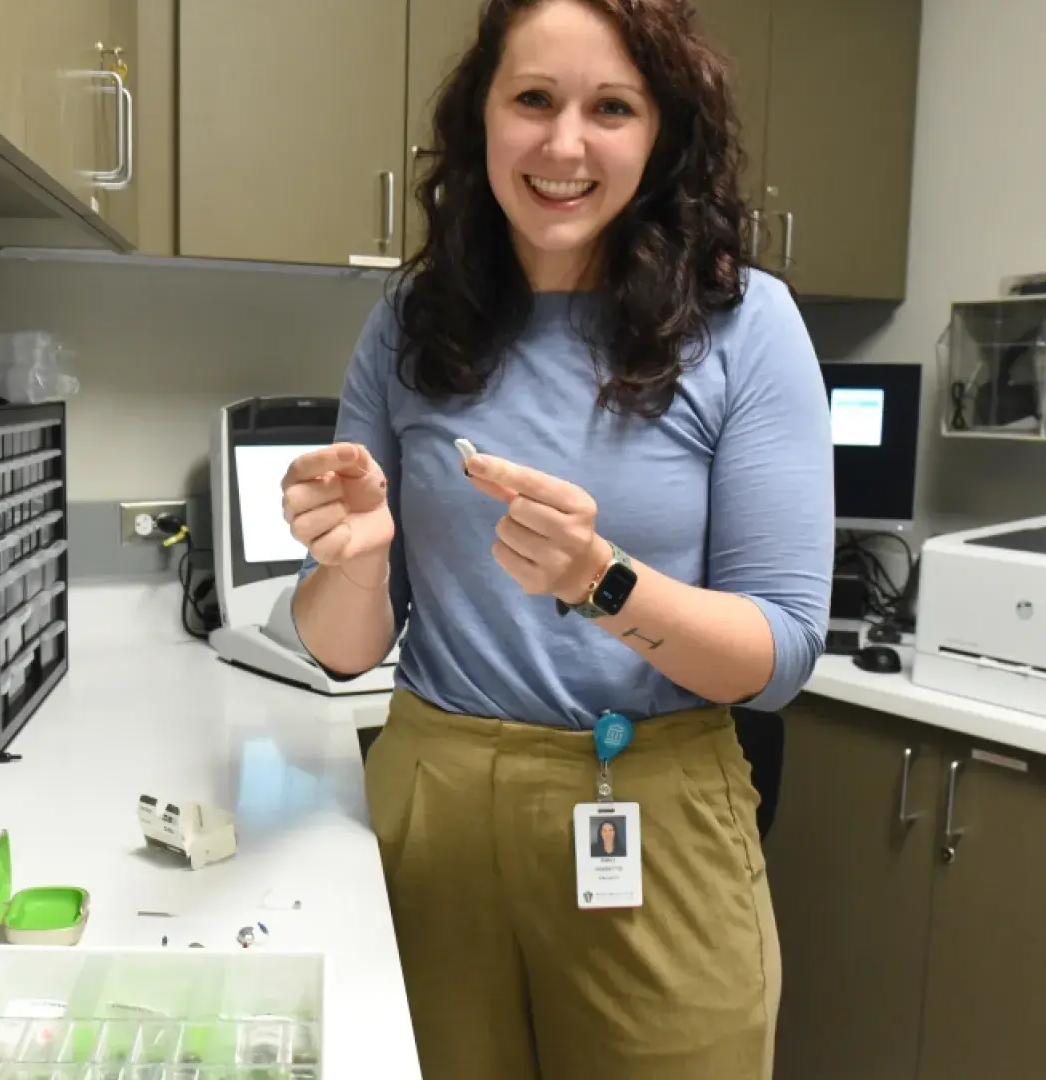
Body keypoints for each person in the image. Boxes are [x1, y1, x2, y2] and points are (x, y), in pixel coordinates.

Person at [279, 0, 831, 1077]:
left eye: (611, 107)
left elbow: (780, 654)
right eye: (533, 99)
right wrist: (354, 562)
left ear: (661, 132)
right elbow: (344, 646)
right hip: (434, 803)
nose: (564, 144)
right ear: (479, 114)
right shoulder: (411, 323)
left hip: (654, 811)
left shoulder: (746, 325)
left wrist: (603, 582)